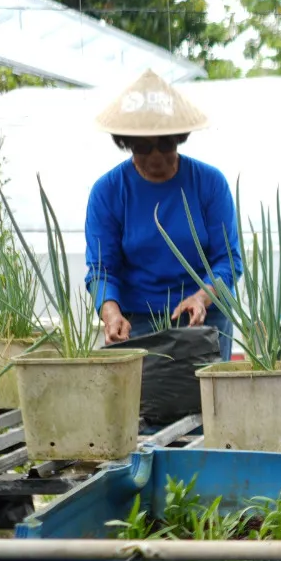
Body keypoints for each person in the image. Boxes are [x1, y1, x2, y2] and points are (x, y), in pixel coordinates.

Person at [84, 70, 242, 360]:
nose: (156, 156)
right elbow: (102, 269)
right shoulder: (108, 191)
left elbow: (228, 260)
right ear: (126, 142)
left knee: (206, 400)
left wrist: (201, 297)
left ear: (179, 138)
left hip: (205, 319)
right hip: (138, 322)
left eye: (166, 144)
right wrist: (111, 312)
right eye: (144, 147)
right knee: (143, 403)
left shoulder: (209, 183)